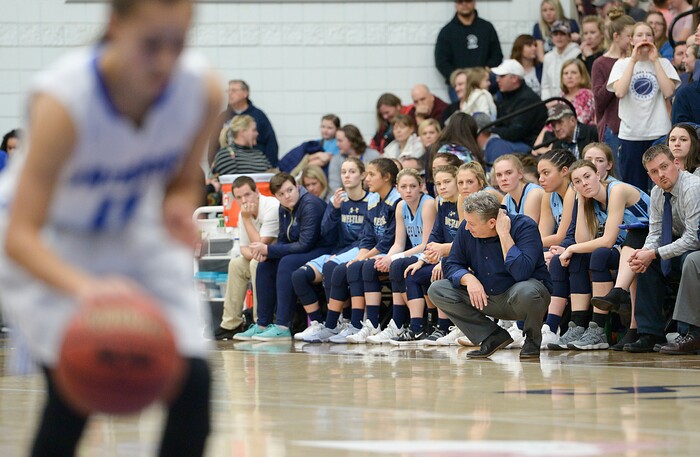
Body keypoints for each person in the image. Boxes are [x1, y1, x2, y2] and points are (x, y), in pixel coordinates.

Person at [0, 0, 220, 455]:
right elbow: (19, 235)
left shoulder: (202, 92)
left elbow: (180, 181)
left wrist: (178, 208)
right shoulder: (64, 100)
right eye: (150, 45)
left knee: (193, 381)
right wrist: (85, 289)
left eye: (177, 45)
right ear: (115, 26)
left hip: (132, 227)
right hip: (49, 239)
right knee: (75, 391)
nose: (164, 61)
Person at [592, 145, 700, 352]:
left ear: (676, 163)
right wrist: (644, 254)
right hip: (680, 245)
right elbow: (655, 232)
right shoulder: (658, 192)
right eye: (654, 171)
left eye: (664, 167)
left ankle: (690, 333)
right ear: (648, 174)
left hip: (694, 246)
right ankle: (649, 333)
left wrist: (655, 252)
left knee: (687, 259)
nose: (661, 175)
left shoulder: (692, 187)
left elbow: (693, 239)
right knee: (646, 263)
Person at [427, 192, 552, 359]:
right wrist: (468, 278)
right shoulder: (467, 230)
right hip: (486, 297)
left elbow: (522, 272)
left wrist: (504, 235)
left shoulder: (524, 226)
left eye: (472, 224)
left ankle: (532, 340)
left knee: (528, 290)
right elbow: (451, 263)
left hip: (519, 298)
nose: (466, 227)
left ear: (492, 222)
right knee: (437, 289)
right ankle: (491, 336)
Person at [547, 160, 649, 351]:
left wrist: (570, 248)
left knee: (599, 254)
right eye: (577, 181)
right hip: (625, 249)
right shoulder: (590, 201)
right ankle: (578, 326)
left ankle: (599, 329)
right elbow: (582, 240)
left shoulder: (617, 190)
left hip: (648, 242)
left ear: (599, 175)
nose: (583, 183)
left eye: (587, 177)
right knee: (579, 257)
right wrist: (581, 201)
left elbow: (608, 240)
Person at [233, 172, 331, 341]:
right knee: (265, 264)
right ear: (276, 196)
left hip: (323, 250)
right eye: (281, 194)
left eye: (290, 190)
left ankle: (282, 326)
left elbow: (305, 244)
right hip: (305, 250)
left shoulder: (310, 205)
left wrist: (269, 250)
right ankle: (262, 324)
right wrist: (268, 254)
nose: (287, 196)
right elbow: (284, 239)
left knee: (286, 262)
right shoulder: (283, 207)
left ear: (297, 186)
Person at [292, 158, 370, 343]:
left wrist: (341, 255)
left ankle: (336, 322)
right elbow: (325, 232)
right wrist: (334, 209)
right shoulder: (337, 200)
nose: (347, 176)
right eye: (344, 172)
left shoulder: (371, 200)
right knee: (298, 276)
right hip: (337, 251)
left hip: (359, 250)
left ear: (362, 175)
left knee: (331, 267)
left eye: (352, 171)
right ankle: (318, 324)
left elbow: (367, 238)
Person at [365, 168, 436, 344]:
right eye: (404, 186)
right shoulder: (400, 206)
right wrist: (386, 258)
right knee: (382, 265)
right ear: (397, 188)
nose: (408, 190)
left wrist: (393, 259)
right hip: (416, 253)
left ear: (421, 186)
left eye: (413, 186)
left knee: (398, 265)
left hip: (429, 253)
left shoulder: (428, 204)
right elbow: (398, 242)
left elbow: (426, 244)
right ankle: (397, 324)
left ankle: (411, 324)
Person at [608, 20, 680, 190]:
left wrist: (655, 61)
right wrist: (633, 60)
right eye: (639, 35)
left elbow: (669, 91)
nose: (644, 38)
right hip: (631, 134)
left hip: (659, 132)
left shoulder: (663, 64)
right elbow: (620, 92)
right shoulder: (622, 64)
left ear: (654, 39)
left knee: (662, 184)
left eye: (648, 34)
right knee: (634, 186)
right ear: (631, 40)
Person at [403, 165, 463, 345]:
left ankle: (444, 327)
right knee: (413, 273)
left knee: (438, 274)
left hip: (461, 259)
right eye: (438, 183)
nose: (442, 187)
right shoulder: (442, 203)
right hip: (446, 257)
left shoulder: (463, 202)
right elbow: (435, 235)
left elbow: (465, 242)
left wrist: (444, 260)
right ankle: (418, 327)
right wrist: (422, 260)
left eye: (447, 182)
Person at [214, 176, 279, 341]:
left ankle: (260, 322)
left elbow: (262, 243)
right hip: (260, 255)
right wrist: (245, 218)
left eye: (247, 194)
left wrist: (246, 219)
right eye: (239, 197)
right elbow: (244, 249)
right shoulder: (244, 213)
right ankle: (231, 324)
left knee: (256, 264)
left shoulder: (271, 206)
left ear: (257, 192)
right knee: (236, 265)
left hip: (278, 256)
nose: (244, 200)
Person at [537, 149, 577, 347]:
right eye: (539, 174)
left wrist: (532, 247)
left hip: (579, 242)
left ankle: (552, 327)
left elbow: (562, 235)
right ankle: (521, 326)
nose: (541, 179)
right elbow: (542, 235)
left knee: (552, 262)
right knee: (530, 259)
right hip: (566, 244)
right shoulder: (549, 195)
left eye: (546, 173)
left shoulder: (572, 190)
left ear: (563, 171)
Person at [434, 0, 503, 102]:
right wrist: (457, 78)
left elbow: (497, 54)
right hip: (460, 82)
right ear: (456, 4)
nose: (464, 4)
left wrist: (486, 71)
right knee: (463, 116)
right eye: (460, 1)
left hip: (484, 78)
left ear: (474, 2)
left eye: (468, 1)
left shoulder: (486, 27)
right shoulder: (447, 32)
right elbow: (441, 62)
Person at [592, 8, 635, 155]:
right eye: (629, 36)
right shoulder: (600, 63)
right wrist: (617, 74)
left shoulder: (636, 61)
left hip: (635, 127)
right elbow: (599, 99)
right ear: (616, 36)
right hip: (613, 127)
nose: (633, 40)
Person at [209, 79, 278, 167]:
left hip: (257, 165)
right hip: (228, 165)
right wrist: (214, 168)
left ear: (246, 93)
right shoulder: (223, 117)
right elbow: (213, 145)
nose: (230, 93)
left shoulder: (259, 116)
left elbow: (271, 144)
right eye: (228, 91)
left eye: (234, 90)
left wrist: (270, 168)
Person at [491, 59, 548, 149]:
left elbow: (515, 133)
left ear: (514, 78)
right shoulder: (505, 95)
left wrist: (491, 130)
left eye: (501, 76)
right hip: (515, 142)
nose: (497, 80)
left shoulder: (527, 99)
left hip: (528, 145)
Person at [209, 115, 272, 181]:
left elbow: (271, 177)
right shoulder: (226, 154)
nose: (257, 133)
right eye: (254, 130)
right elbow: (234, 184)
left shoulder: (259, 154)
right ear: (242, 132)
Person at [494, 154, 545, 224]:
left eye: (509, 173)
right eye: (499, 175)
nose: (503, 178)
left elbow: (528, 231)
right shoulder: (506, 199)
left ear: (520, 174)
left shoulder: (533, 193)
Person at [328, 124, 380, 192]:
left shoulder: (373, 155)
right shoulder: (336, 160)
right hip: (346, 197)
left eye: (340, 141)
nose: (337, 144)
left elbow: (379, 180)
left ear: (351, 140)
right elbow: (334, 185)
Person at [534, 104, 599, 157]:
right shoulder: (556, 145)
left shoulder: (593, 133)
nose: (557, 129)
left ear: (572, 120)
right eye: (553, 125)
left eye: (560, 122)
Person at [541, 21, 582, 100]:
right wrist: (547, 102)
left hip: (573, 101)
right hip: (551, 103)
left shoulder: (577, 54)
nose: (558, 37)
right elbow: (545, 85)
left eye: (562, 34)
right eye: (555, 34)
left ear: (569, 37)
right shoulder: (548, 57)